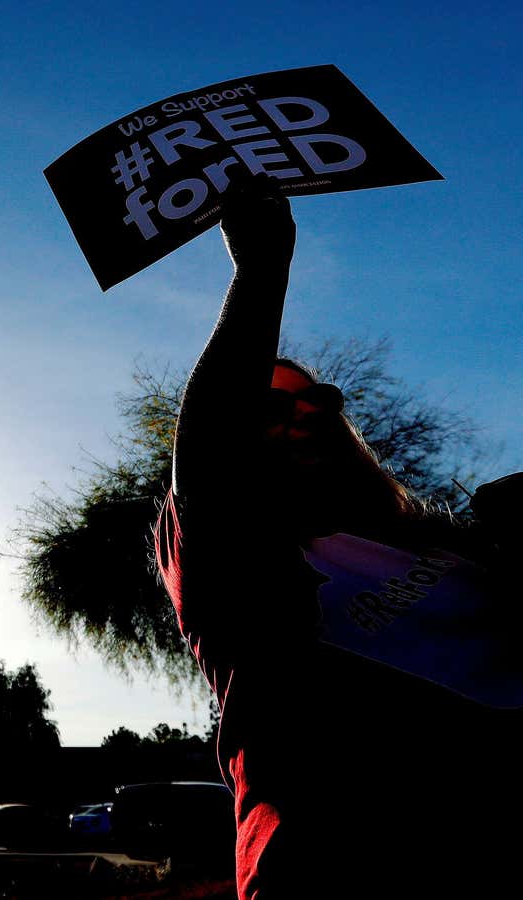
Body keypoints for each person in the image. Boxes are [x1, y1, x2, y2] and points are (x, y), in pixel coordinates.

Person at [155, 175, 522, 897]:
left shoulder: (433, 539)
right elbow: (209, 446)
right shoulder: (238, 569)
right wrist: (263, 267)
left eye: (317, 397)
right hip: (343, 859)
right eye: (267, 409)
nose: (302, 414)